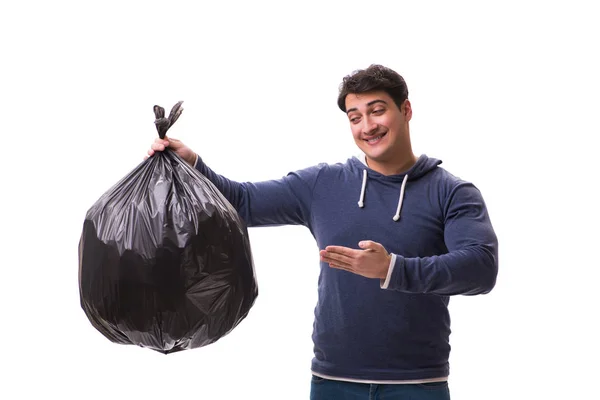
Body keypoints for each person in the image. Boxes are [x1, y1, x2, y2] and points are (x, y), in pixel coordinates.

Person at [147, 64, 498, 400]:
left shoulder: (452, 192)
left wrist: (392, 269)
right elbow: (244, 201)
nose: (367, 126)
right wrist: (193, 164)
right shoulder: (324, 184)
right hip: (334, 382)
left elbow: (480, 268)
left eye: (377, 111)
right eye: (355, 117)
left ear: (405, 110)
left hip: (419, 384)